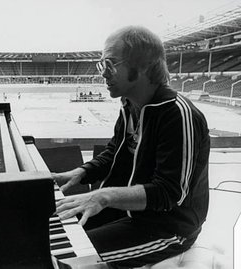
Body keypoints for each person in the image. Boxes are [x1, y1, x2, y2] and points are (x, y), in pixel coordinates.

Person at [53, 25, 210, 268]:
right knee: (47, 231)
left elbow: (169, 193)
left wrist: (103, 196)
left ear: (144, 66)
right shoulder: (129, 105)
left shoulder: (178, 115)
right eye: (101, 64)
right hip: (126, 212)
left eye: (110, 64)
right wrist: (81, 172)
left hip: (169, 227)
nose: (103, 74)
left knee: (66, 260)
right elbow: (113, 153)